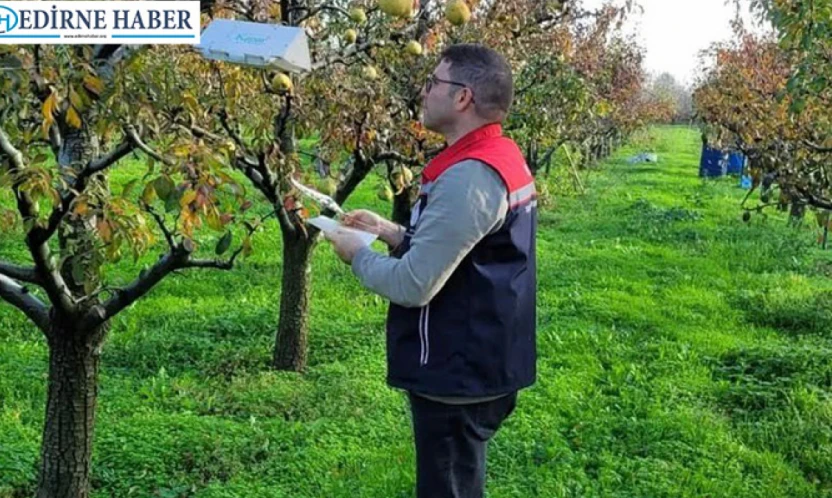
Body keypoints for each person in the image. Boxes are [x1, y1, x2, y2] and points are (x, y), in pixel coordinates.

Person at [324, 43, 537, 498]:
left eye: (433, 83)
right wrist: (391, 232)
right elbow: (471, 252)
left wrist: (354, 255)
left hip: (457, 369)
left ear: (462, 97)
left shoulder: (471, 176)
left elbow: (414, 284)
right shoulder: (495, 157)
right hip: (480, 356)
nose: (424, 92)